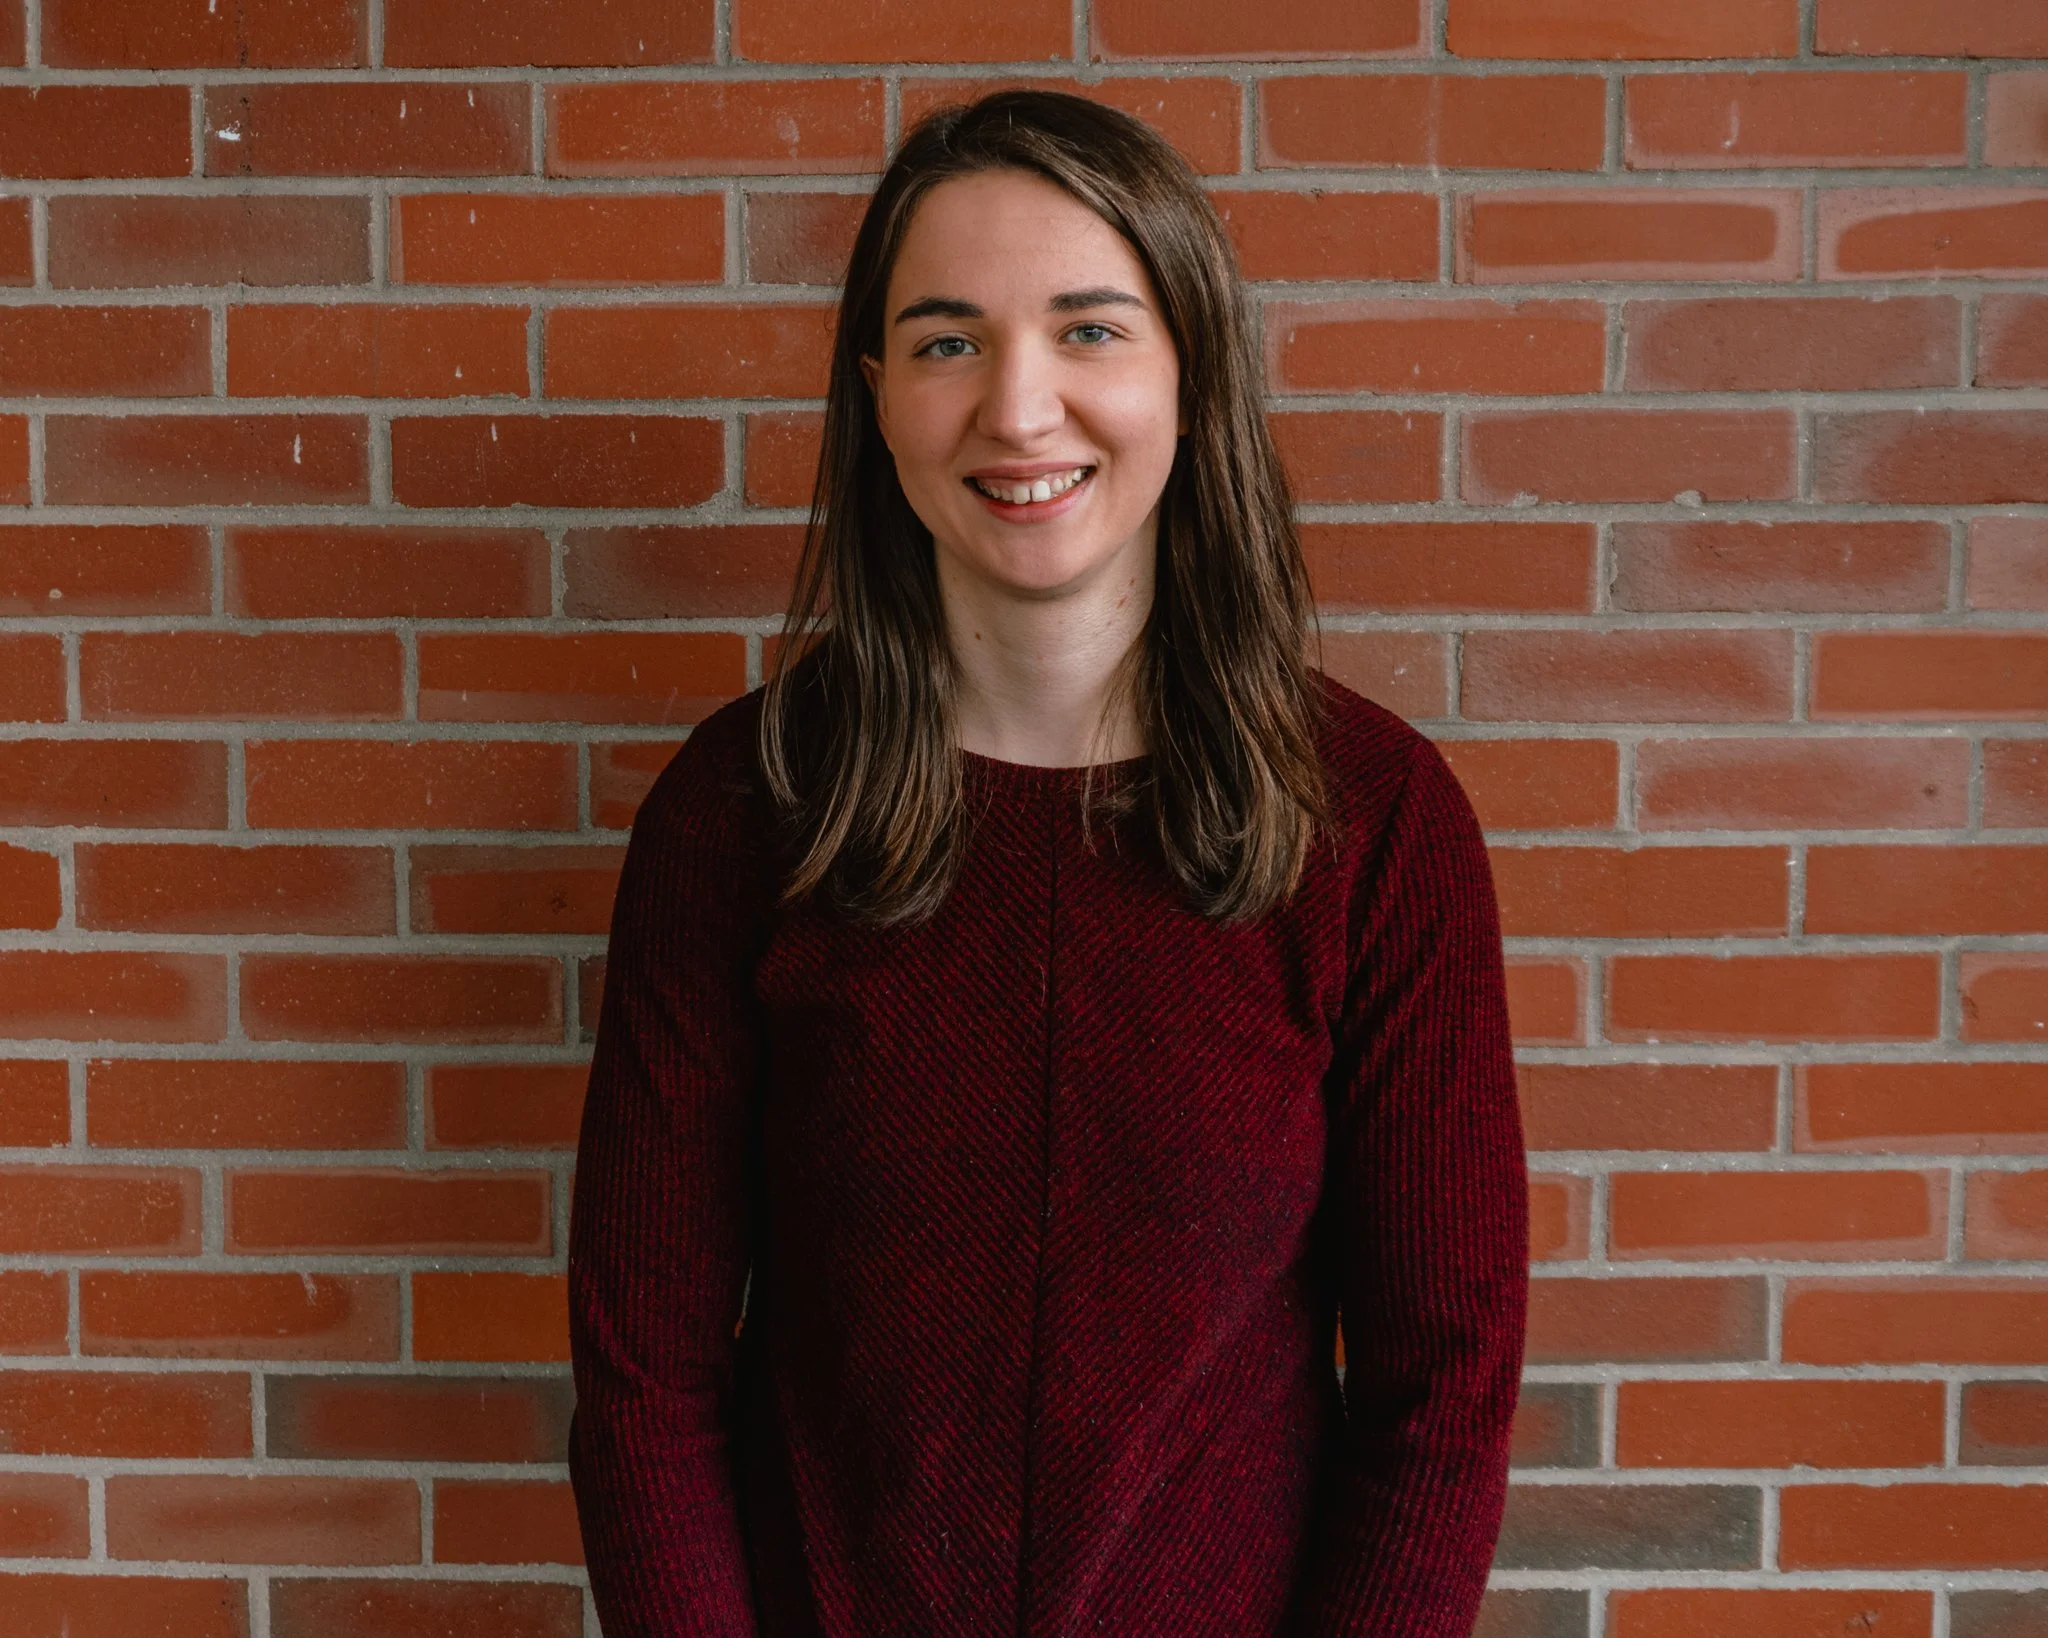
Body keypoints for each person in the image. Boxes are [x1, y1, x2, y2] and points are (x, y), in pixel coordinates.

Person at [567, 88, 1529, 1637]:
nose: (1017, 411)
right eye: (948, 340)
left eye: (1090, 329)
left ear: (1191, 369)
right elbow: (644, 1380)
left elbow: (1442, 1396)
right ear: (878, 394)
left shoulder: (1376, 822)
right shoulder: (742, 811)